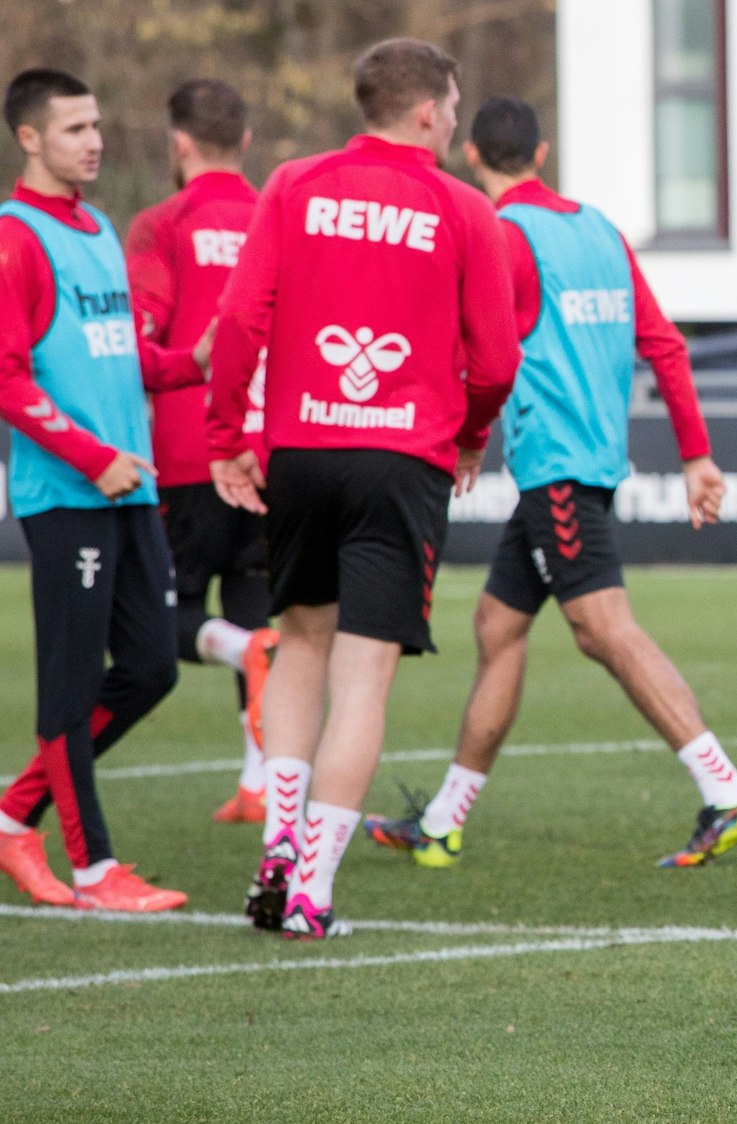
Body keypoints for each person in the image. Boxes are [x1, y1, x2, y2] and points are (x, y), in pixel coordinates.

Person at [361, 96, 737, 871]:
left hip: (557, 469)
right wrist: (695, 455)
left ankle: (725, 789)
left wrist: (458, 437)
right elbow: (665, 345)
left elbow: (480, 354)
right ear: (542, 154)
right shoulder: (597, 230)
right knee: (497, 627)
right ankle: (442, 821)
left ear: (471, 158)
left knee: (603, 629)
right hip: (587, 463)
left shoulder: (504, 235)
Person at [208, 39, 521, 939]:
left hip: (300, 448)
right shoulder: (463, 208)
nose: (456, 120)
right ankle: (310, 891)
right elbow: (495, 360)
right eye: (453, 105)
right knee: (364, 677)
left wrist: (229, 434)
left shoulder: (294, 185)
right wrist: (468, 434)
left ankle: (278, 845)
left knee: (299, 645)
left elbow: (239, 319)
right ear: (426, 110)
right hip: (401, 461)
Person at [0, 68, 216, 912]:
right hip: (71, 496)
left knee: (154, 667)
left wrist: (190, 363)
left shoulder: (96, 226)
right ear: (29, 139)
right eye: (74, 129)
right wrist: (92, 457)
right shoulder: (15, 237)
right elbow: (10, 378)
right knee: (68, 688)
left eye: (95, 126)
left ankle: (16, 813)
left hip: (131, 493)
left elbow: (123, 355)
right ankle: (95, 872)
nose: (93, 141)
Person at [125, 78, 280, 825]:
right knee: (262, 608)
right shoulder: (277, 216)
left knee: (171, 616)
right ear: (246, 142)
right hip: (271, 452)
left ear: (178, 143)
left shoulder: (164, 223)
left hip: (190, 451)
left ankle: (239, 648)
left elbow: (138, 340)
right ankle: (258, 785)